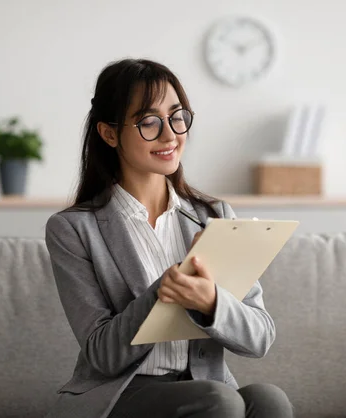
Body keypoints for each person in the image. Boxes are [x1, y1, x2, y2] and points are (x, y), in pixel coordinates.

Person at [45, 58, 293, 418]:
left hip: (206, 385)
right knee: (217, 401)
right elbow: (102, 354)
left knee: (269, 400)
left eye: (178, 117)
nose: (170, 134)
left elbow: (260, 337)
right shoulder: (74, 229)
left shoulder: (214, 216)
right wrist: (163, 292)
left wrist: (211, 302)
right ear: (109, 133)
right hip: (124, 394)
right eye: (149, 122)